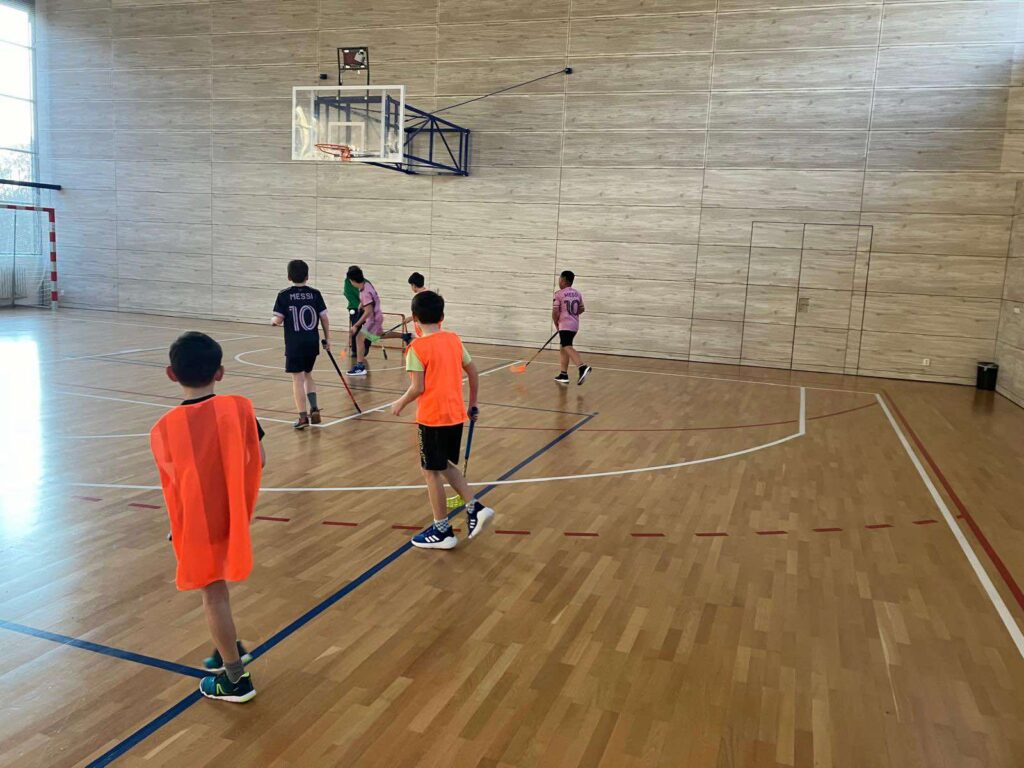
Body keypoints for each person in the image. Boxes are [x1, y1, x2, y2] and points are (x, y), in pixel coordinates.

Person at [149, 332, 266, 703]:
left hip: (198, 523)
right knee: (219, 593)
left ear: (171, 374)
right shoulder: (240, 409)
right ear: (220, 372)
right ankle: (226, 646)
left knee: (213, 595)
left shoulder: (164, 428)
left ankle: (235, 679)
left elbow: (177, 485)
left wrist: (180, 526)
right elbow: (259, 459)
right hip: (233, 515)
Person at [391, 290, 494, 549]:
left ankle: (442, 530)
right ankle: (474, 507)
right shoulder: (453, 340)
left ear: (414, 318)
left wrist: (400, 402)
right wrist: (473, 403)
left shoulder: (416, 348)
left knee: (430, 471)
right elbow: (473, 371)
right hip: (455, 415)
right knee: (443, 465)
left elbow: (418, 387)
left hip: (432, 418)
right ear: (442, 317)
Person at [271, 260, 329, 429]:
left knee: (298, 379)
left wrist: (273, 321)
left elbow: (278, 319)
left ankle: (303, 418)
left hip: (295, 344)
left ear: (289, 276)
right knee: (308, 374)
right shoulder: (315, 294)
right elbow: (324, 318)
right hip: (312, 342)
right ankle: (314, 407)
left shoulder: (284, 295)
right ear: (307, 276)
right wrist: (327, 339)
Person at [552, 270, 592, 385]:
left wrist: (556, 323)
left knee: (567, 346)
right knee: (563, 347)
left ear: (564, 280)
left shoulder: (558, 294)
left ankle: (582, 367)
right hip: (574, 325)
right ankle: (563, 374)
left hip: (564, 325)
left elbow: (555, 311)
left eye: (560, 279)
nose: (559, 281)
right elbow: (582, 309)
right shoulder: (577, 293)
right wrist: (572, 314)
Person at [345, 266, 383, 376]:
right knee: (377, 336)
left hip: (373, 318)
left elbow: (368, 311)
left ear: (352, 280)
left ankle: (360, 367)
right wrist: (362, 303)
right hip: (377, 316)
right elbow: (371, 298)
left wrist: (356, 325)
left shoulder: (364, 292)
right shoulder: (366, 285)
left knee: (359, 337)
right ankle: (405, 336)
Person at [345, 264, 370, 361]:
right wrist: (358, 305)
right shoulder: (347, 282)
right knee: (357, 331)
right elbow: (348, 294)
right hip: (355, 308)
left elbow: (369, 304)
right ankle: (355, 351)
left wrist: (363, 305)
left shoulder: (366, 284)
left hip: (366, 309)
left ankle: (365, 347)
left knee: (367, 330)